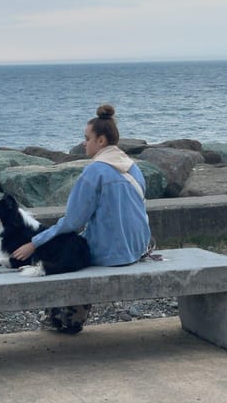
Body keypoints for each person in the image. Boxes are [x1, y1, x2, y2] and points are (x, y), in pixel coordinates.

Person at [12, 103, 152, 333]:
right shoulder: (133, 168)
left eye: (87, 138)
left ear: (101, 141)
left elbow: (72, 222)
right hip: (138, 246)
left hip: (111, 252)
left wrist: (33, 243)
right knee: (72, 242)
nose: (83, 143)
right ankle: (66, 316)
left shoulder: (94, 172)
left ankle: (65, 318)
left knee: (64, 246)